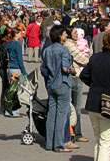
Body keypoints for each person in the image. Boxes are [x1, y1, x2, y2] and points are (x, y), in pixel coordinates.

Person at [80, 29, 110, 161]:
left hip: (93, 101)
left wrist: (95, 84)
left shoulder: (95, 57)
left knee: (98, 140)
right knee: (106, 142)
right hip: (109, 102)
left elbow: (84, 75)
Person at [41, 25, 73, 153]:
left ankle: (49, 142)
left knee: (51, 114)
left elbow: (44, 67)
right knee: (62, 115)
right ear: (60, 35)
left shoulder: (47, 50)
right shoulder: (63, 50)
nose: (66, 35)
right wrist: (73, 70)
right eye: (65, 33)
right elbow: (65, 68)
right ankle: (59, 144)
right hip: (62, 82)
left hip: (51, 83)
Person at [64, 28, 90, 146]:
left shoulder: (72, 44)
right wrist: (91, 62)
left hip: (74, 75)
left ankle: (73, 131)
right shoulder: (70, 45)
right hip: (74, 76)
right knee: (76, 107)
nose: (77, 35)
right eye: (74, 33)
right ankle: (76, 132)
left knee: (73, 106)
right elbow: (79, 58)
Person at [5, 28, 27, 117]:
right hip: (16, 68)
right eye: (20, 33)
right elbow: (20, 59)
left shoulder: (9, 44)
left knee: (10, 90)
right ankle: (14, 111)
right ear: (16, 34)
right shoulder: (17, 45)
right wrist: (24, 72)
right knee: (15, 91)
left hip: (9, 67)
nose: (21, 35)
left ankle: (8, 110)